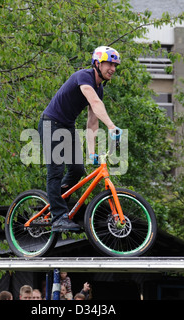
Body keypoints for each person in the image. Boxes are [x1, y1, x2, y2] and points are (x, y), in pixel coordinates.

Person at [38, 46, 122, 232]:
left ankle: (54, 204)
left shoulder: (98, 90)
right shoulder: (84, 77)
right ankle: (59, 216)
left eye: (115, 65)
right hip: (50, 124)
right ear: (97, 64)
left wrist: (92, 152)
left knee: (77, 170)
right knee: (56, 171)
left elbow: (92, 123)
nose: (113, 69)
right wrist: (111, 125)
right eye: (110, 64)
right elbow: (94, 103)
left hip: (66, 127)